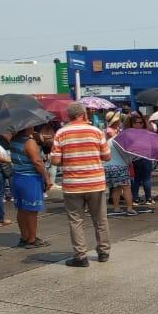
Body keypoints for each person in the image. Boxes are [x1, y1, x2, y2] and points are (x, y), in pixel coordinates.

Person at [50, 102, 111, 267]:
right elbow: (107, 157)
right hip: (95, 183)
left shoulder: (61, 133)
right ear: (84, 114)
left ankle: (81, 257)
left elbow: (55, 160)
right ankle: (103, 252)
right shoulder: (96, 132)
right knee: (100, 220)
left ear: (69, 116)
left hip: (73, 184)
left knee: (76, 221)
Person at [10, 128, 51, 247]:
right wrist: (46, 178)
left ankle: (24, 236)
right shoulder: (29, 142)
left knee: (22, 209)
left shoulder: (14, 139)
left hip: (18, 177)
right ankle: (32, 239)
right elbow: (36, 161)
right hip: (30, 179)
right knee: (32, 210)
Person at [104, 122, 137, 216]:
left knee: (116, 188)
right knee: (126, 187)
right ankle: (129, 208)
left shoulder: (107, 141)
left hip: (108, 166)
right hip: (120, 166)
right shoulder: (120, 140)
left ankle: (116, 207)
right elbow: (127, 154)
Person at [125, 112, 154, 205]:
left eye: (141, 122)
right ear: (133, 123)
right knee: (146, 178)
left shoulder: (129, 133)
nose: (140, 124)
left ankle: (136, 198)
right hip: (145, 158)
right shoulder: (147, 132)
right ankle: (148, 198)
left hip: (135, 159)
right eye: (138, 122)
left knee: (136, 179)